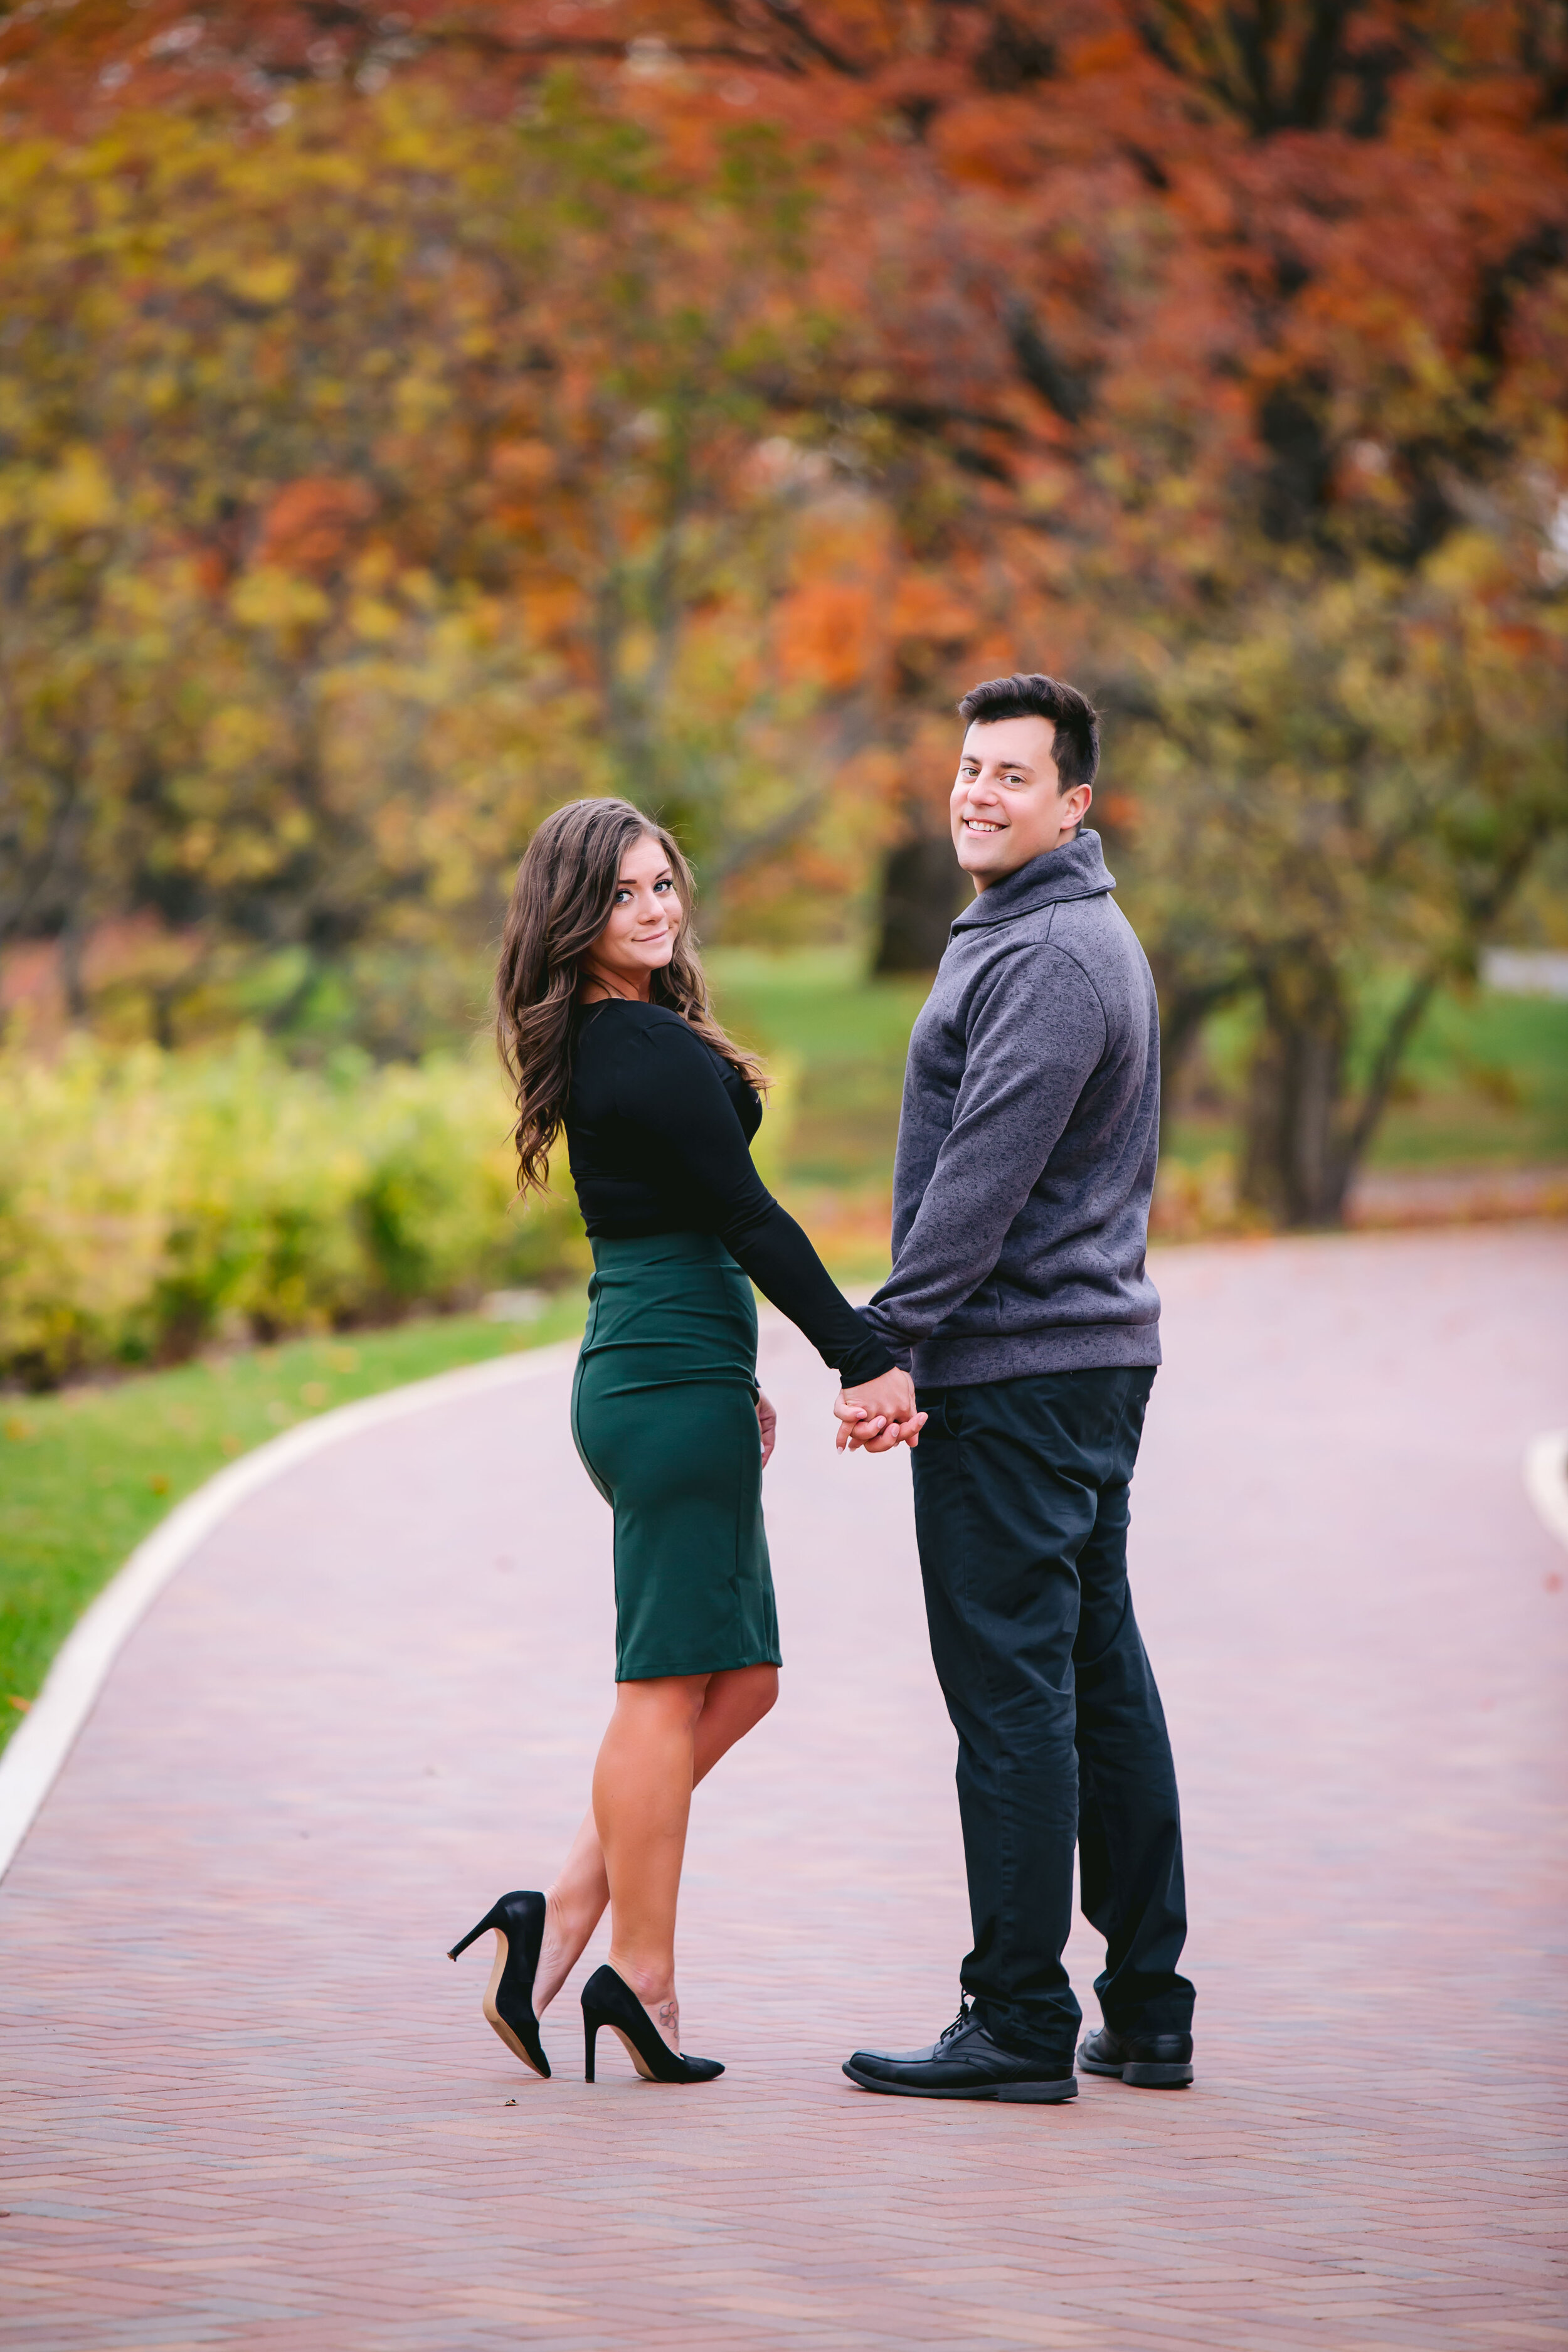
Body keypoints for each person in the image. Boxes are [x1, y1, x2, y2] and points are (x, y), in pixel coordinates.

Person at [449, 797, 921, 2087]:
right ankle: (640, 1979)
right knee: (660, 1689)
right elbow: (749, 1218)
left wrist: (734, 1369)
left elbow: (703, 1225)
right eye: (622, 895)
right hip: (659, 1380)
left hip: (675, 1372)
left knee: (742, 1679)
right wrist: (862, 1354)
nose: (654, 909)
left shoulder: (627, 1039)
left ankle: (554, 1910)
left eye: (663, 885)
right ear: (573, 917)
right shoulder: (637, 1049)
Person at [834, 672, 1195, 2104]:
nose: (977, 792)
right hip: (1078, 1366)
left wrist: (884, 1341)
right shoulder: (1044, 933)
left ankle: (1017, 2020)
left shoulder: (1046, 955)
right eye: (967, 768)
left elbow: (981, 1182)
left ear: (1074, 804)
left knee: (1014, 1697)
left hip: (1021, 1371)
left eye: (1011, 775)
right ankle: (1147, 2005)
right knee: (1094, 1677)